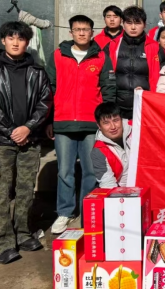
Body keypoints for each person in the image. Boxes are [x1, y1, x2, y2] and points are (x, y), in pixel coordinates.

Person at [0, 22, 52, 264]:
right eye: (11, 38)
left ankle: (22, 233)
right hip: (2, 141)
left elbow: (45, 103)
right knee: (1, 191)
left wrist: (28, 127)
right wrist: (12, 131)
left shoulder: (37, 72)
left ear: (27, 42)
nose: (16, 42)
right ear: (3, 41)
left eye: (20, 38)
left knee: (25, 190)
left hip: (30, 139)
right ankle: (1, 242)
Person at [46, 15, 116, 234]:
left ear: (92, 32)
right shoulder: (58, 55)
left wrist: (104, 120)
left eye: (86, 29)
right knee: (65, 170)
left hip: (91, 123)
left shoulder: (101, 57)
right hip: (63, 121)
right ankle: (65, 212)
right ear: (71, 32)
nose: (82, 33)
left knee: (90, 171)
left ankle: (87, 212)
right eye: (78, 29)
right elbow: (49, 88)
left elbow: (108, 89)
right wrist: (48, 119)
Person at [105, 6, 156, 119]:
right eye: (129, 23)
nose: (133, 27)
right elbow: (105, 77)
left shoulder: (154, 47)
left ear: (144, 24)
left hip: (145, 108)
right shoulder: (112, 46)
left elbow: (160, 80)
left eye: (137, 23)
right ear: (123, 24)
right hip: (117, 109)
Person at [91, 103, 132, 188]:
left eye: (116, 120)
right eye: (106, 123)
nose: (113, 127)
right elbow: (108, 184)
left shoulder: (137, 129)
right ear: (99, 126)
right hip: (123, 190)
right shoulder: (98, 150)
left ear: (122, 119)